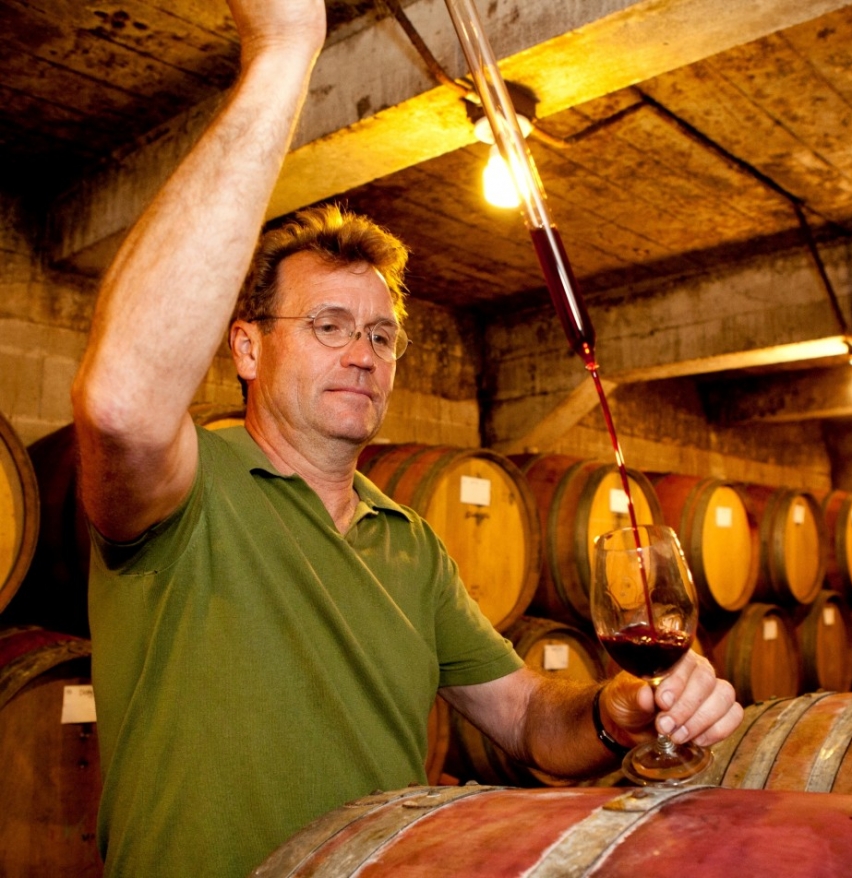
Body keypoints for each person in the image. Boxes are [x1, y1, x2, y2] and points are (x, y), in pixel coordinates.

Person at [70, 2, 742, 877]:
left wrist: (617, 710)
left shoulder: (411, 542)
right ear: (246, 346)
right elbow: (120, 402)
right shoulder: (188, 493)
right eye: (329, 326)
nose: (363, 354)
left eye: (382, 336)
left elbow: (530, 719)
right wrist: (283, 52)